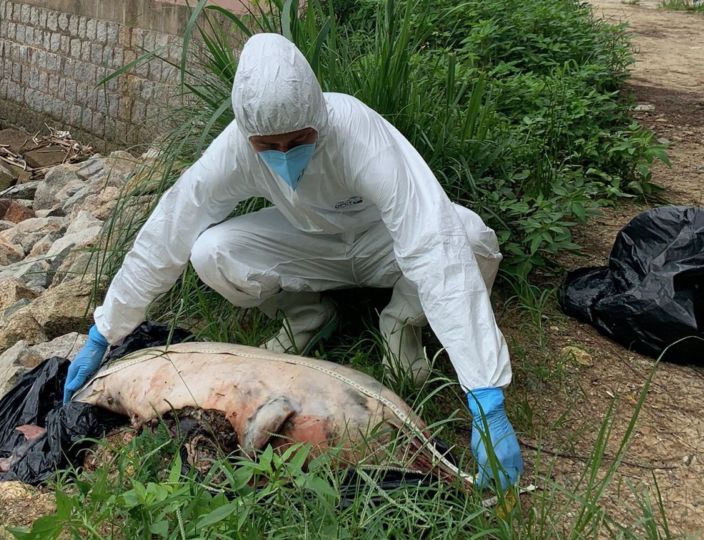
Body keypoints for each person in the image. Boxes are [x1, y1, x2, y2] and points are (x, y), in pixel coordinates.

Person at [62, 33, 523, 489]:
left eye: (298, 141)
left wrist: (485, 393)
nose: (283, 155)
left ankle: (402, 322)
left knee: (470, 237)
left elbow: (431, 243)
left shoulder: (359, 135)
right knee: (211, 251)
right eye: (269, 146)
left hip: (382, 241)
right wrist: (106, 329)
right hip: (311, 246)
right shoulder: (238, 148)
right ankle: (307, 315)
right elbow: (169, 229)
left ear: (318, 118)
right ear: (249, 135)